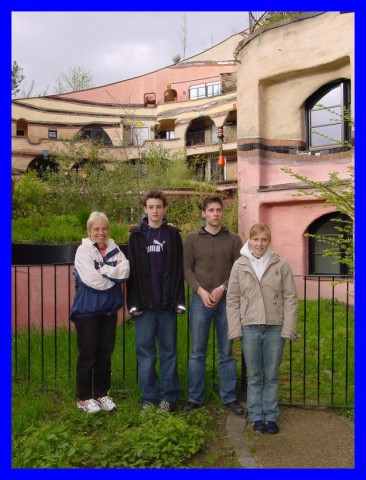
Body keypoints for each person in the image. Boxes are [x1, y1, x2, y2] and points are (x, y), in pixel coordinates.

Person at [226, 223, 298, 434]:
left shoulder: (281, 264)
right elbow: (232, 299)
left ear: (269, 241)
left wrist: (288, 328)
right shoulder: (240, 265)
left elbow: (290, 298)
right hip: (249, 327)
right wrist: (235, 328)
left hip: (275, 327)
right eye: (256, 239)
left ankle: (271, 416)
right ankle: (257, 416)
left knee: (272, 375)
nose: (260, 244)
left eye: (264, 240)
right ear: (250, 241)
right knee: (255, 375)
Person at [183, 196, 244, 415]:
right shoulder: (192, 239)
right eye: (211, 210)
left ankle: (229, 397)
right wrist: (200, 291)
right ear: (203, 213)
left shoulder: (235, 239)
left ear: (222, 213)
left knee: (226, 352)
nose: (215, 214)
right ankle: (195, 397)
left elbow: (239, 269)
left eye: (218, 210)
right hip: (200, 301)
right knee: (197, 352)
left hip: (226, 301)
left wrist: (222, 288)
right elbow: (187, 269)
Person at [127, 189, 185, 412]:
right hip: (144, 307)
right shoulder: (136, 236)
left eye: (158, 207)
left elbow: (179, 271)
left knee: (169, 352)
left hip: (167, 305)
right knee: (146, 354)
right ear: (145, 209)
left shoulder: (172, 236)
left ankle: (168, 398)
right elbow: (131, 274)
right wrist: (133, 305)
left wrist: (179, 302)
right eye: (150, 207)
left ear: (164, 209)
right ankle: (149, 399)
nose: (154, 211)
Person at [70, 211, 130, 413]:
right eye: (96, 229)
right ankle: (84, 397)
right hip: (87, 311)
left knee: (105, 352)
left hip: (108, 310)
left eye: (104, 228)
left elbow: (125, 271)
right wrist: (112, 274)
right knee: (88, 353)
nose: (100, 232)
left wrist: (103, 270)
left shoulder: (115, 249)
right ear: (89, 231)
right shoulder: (83, 251)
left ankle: (102, 393)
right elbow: (91, 280)